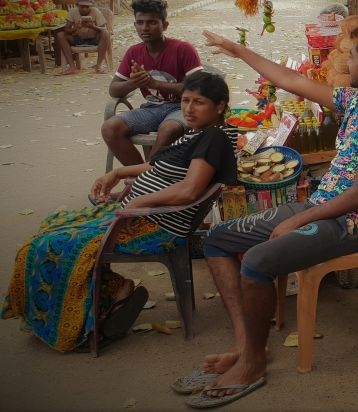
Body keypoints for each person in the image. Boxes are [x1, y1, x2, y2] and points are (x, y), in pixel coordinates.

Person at [177, 24, 358, 408]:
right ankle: (245, 344)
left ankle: (253, 361)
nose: (346, 61)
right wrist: (237, 49)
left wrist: (299, 219)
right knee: (217, 239)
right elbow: (289, 79)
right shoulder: (356, 102)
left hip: (349, 224)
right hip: (320, 207)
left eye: (351, 56)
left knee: (256, 261)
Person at [3, 71, 238, 352]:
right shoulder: (199, 132)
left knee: (46, 245)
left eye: (198, 102)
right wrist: (119, 172)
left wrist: (138, 203)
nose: (188, 108)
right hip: (140, 216)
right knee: (53, 224)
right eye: (186, 100)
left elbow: (189, 190)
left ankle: (83, 324)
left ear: (220, 105)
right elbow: (161, 167)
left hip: (154, 225)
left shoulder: (213, 138)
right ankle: (115, 292)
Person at [102, 0, 203, 167]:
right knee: (109, 128)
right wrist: (135, 83)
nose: (145, 28)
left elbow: (198, 88)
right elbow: (114, 90)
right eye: (139, 22)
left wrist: (154, 84)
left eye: (152, 22)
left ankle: (145, 178)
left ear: (165, 25)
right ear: (134, 25)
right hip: (152, 109)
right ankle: (140, 177)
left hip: (183, 108)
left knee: (168, 129)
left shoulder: (183, 49)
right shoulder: (134, 52)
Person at [55, 0, 111, 76]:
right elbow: (67, 30)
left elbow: (104, 28)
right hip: (78, 39)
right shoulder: (72, 11)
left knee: (105, 33)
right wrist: (76, 28)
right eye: (82, 6)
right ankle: (72, 67)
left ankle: (98, 66)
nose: (84, 9)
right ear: (77, 5)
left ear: (91, 6)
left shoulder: (95, 11)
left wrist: (92, 26)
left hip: (94, 39)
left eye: (87, 7)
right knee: (60, 35)